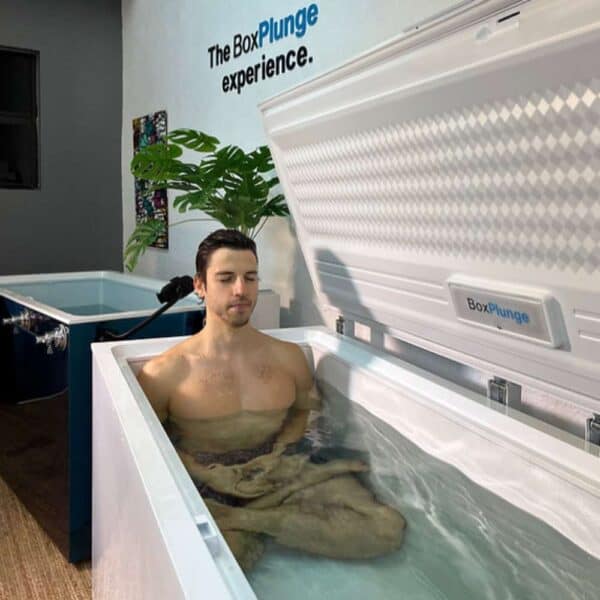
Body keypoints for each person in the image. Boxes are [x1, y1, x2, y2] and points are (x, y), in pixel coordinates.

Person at [137, 229, 406, 571]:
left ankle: (246, 520)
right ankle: (262, 522)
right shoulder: (164, 373)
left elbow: (306, 417)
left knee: (386, 528)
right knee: (214, 570)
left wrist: (282, 454)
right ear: (200, 286)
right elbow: (153, 450)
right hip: (210, 486)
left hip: (281, 471)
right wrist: (205, 472)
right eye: (226, 278)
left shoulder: (288, 358)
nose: (241, 290)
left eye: (250, 278)